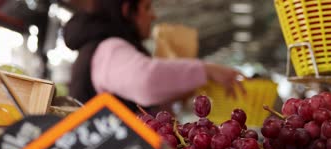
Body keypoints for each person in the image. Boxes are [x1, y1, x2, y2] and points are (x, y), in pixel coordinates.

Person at [64, 0, 244, 111]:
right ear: (128, 10)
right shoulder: (109, 48)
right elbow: (146, 81)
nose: (153, 15)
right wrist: (206, 70)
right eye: (147, 7)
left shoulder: (100, 46)